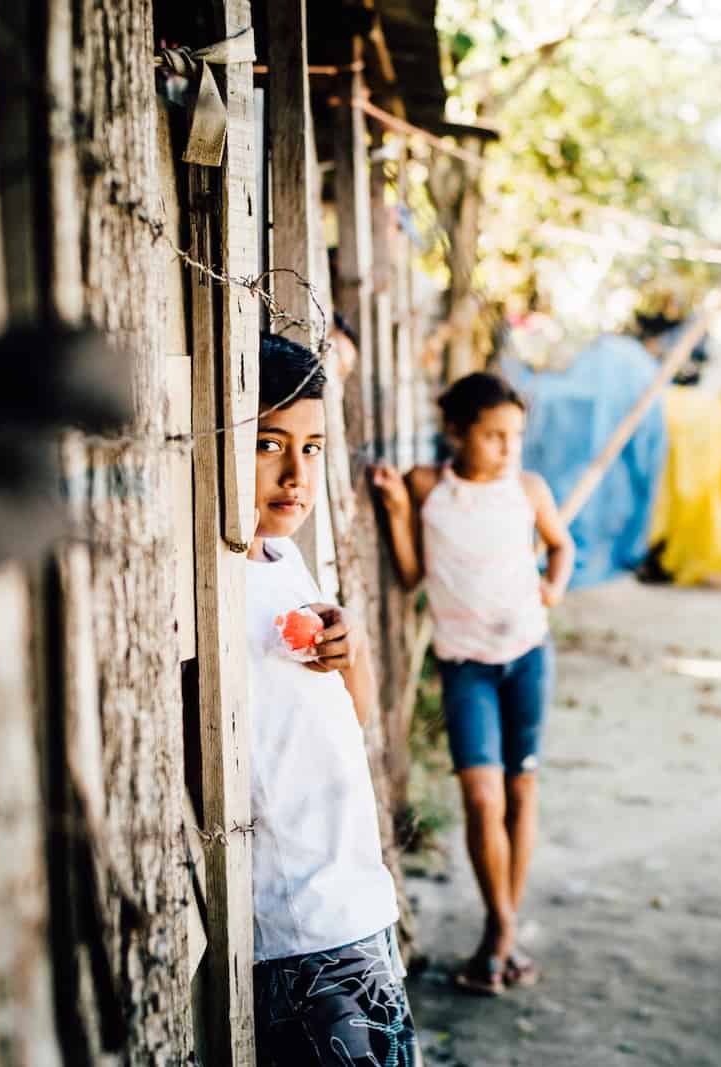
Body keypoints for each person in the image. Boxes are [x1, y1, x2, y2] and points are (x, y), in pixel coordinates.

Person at [371, 371, 574, 996]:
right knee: (483, 799)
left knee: (521, 791)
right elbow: (410, 577)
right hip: (466, 667)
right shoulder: (429, 487)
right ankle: (503, 929)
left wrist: (554, 586)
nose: (508, 449)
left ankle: (499, 937)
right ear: (456, 432)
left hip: (527, 658)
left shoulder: (529, 490)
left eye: (514, 436)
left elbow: (562, 546)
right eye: (492, 436)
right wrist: (401, 512)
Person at [246, 333, 417, 1064]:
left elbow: (361, 715)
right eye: (268, 443)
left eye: (312, 448)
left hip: (358, 898)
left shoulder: (286, 561)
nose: (296, 472)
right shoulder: (213, 582)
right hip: (299, 925)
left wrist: (354, 651)